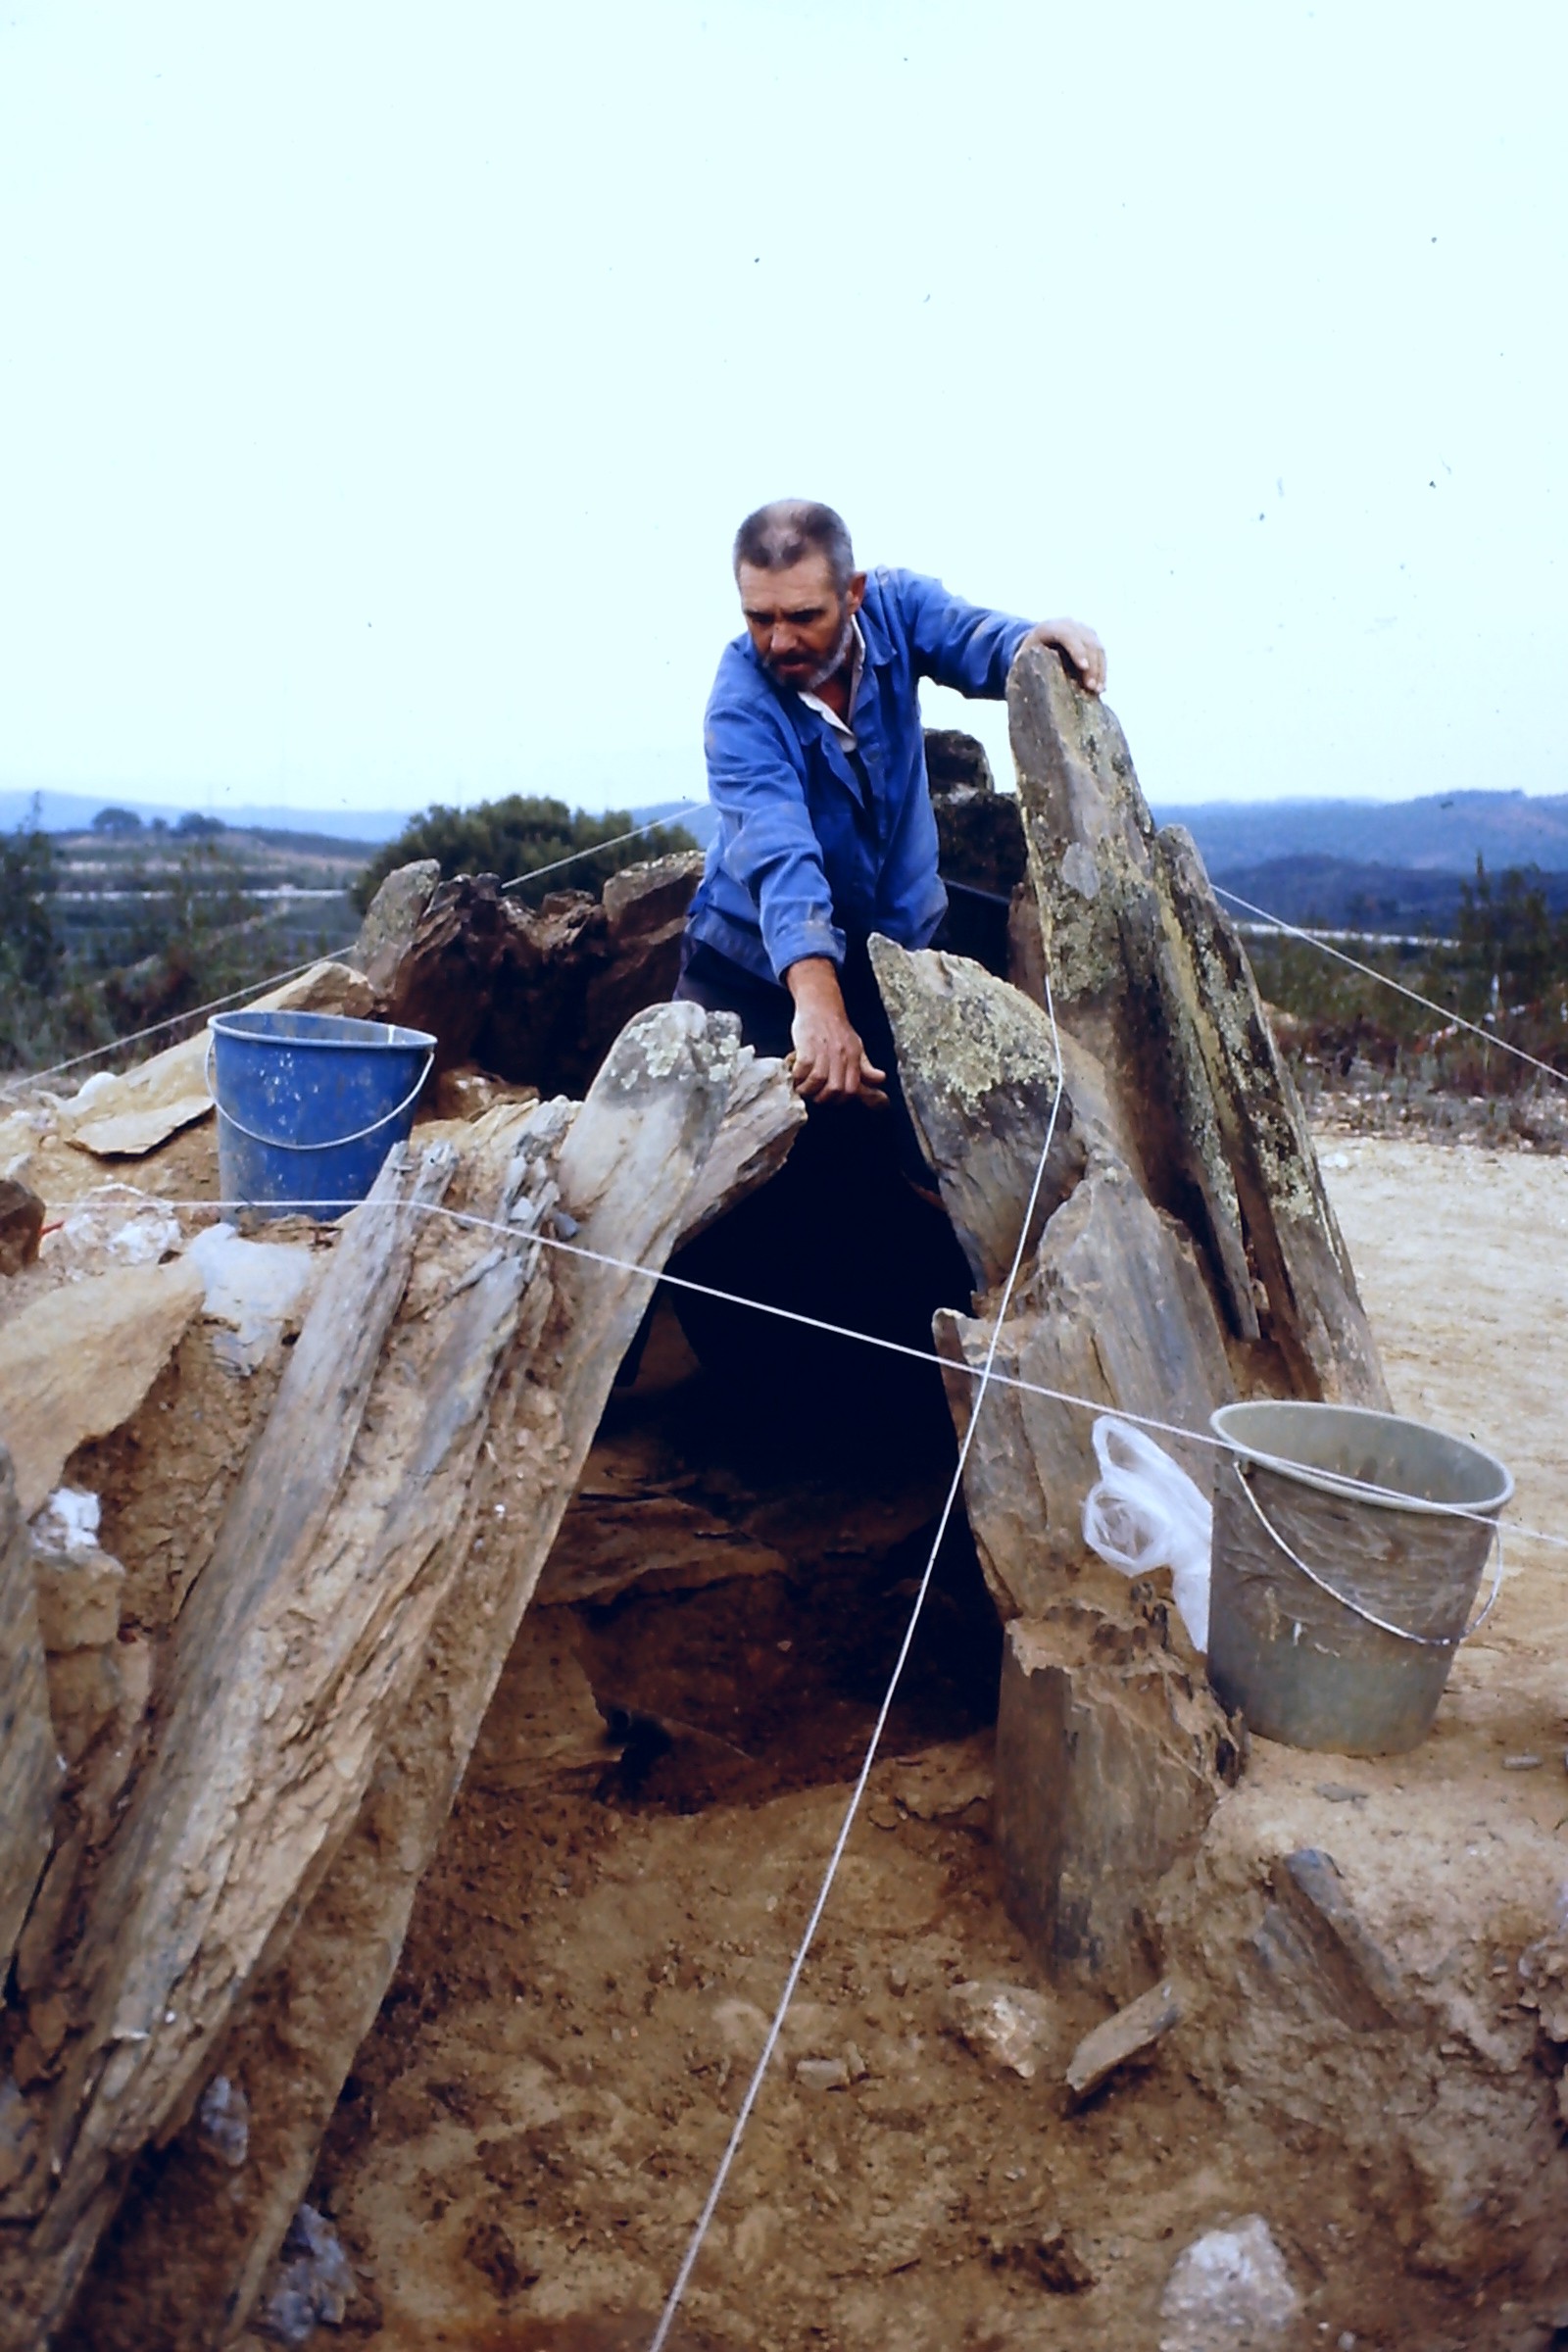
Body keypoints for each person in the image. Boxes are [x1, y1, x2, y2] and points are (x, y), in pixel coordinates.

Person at [665, 499, 1105, 1444]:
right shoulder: (740, 701)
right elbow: (780, 858)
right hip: (751, 967)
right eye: (758, 617)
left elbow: (980, 642)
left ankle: (926, 1409)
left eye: (803, 616)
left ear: (854, 594)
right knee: (693, 1165)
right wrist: (817, 1007)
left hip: (895, 954)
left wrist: (1035, 642)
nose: (779, 641)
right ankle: (714, 1398)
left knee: (911, 1163)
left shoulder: (900, 610)